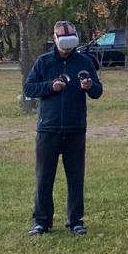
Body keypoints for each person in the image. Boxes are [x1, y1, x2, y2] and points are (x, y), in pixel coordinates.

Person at [24, 20, 103, 236]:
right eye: (63, 39)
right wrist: (50, 86)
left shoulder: (84, 62)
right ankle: (42, 221)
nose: (67, 46)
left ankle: (76, 221)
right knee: (44, 178)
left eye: (71, 40)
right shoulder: (44, 62)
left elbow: (97, 91)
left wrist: (90, 86)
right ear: (55, 38)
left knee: (75, 178)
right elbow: (29, 88)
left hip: (75, 129)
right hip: (48, 129)